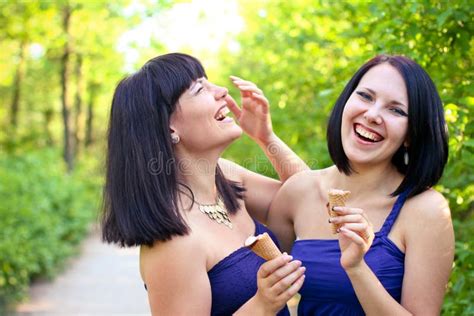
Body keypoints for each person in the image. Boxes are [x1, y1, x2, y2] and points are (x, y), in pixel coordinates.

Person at [101, 53, 308, 315]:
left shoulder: (228, 178)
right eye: (200, 89)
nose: (222, 91)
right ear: (169, 128)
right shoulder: (173, 243)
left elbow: (308, 198)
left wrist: (265, 137)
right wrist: (263, 305)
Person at [267, 55, 454, 315]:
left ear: (411, 135)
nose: (373, 115)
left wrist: (356, 268)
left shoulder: (426, 210)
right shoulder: (296, 192)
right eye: (365, 96)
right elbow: (264, 295)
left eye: (396, 110)